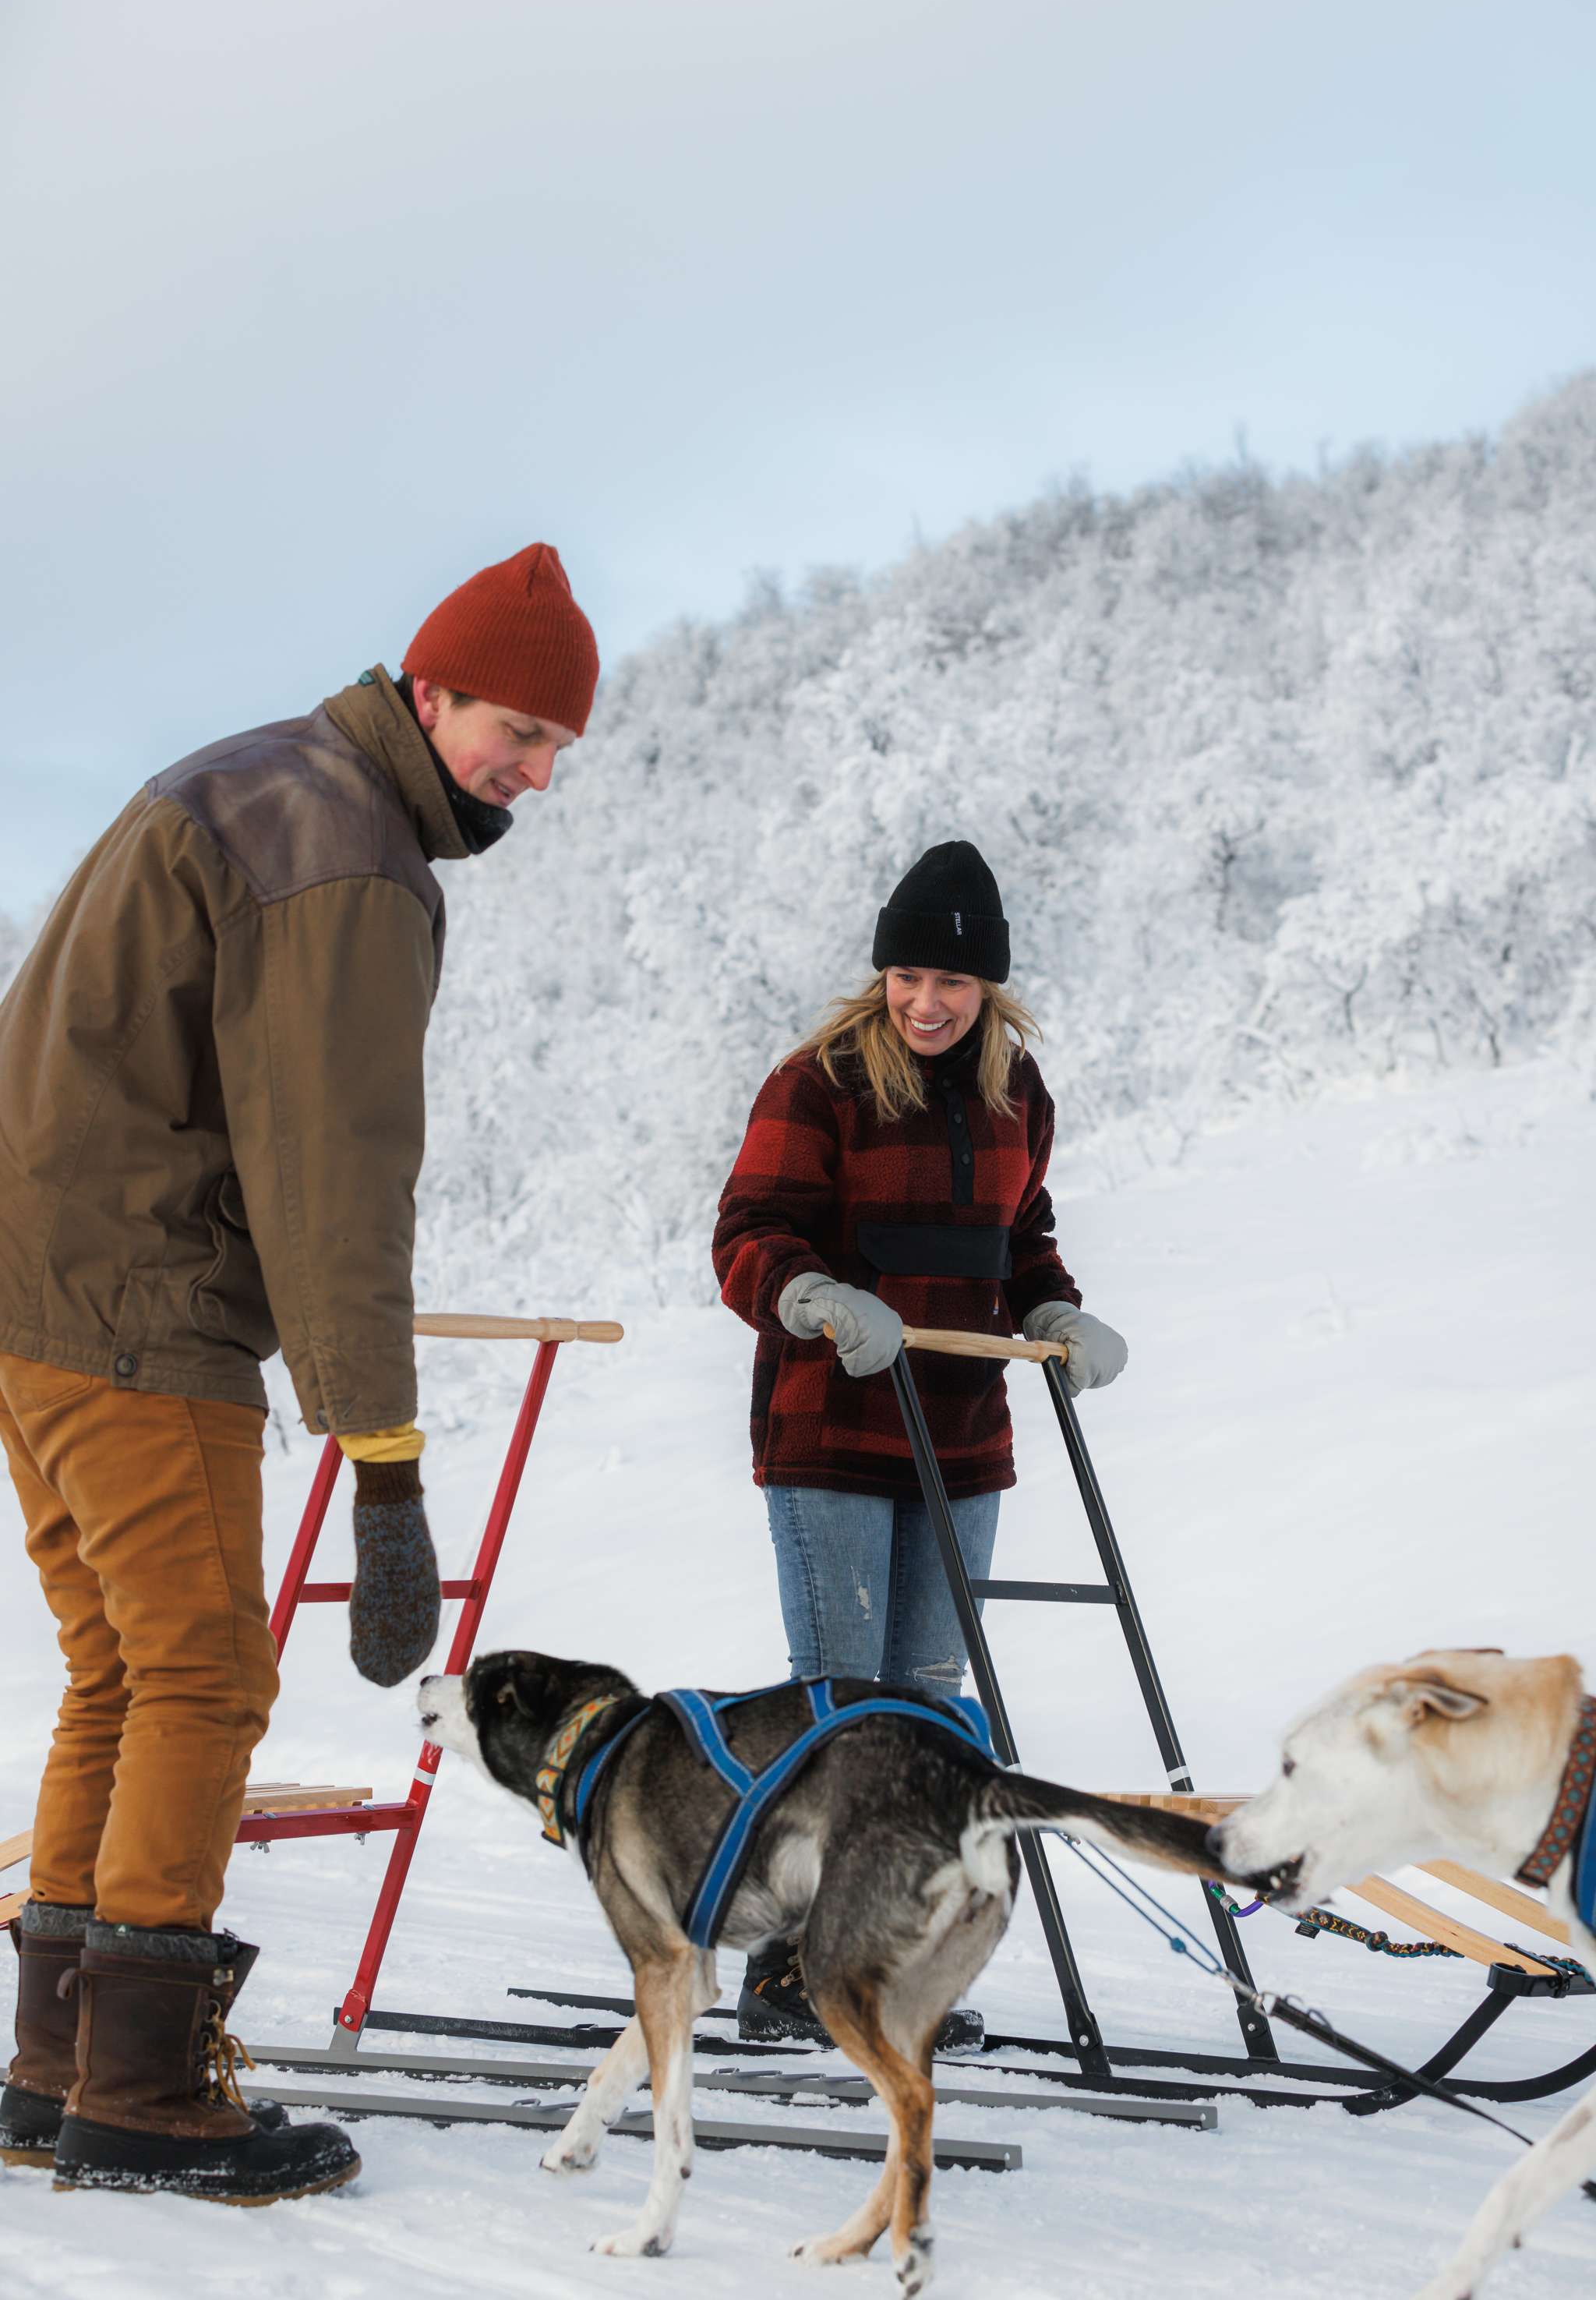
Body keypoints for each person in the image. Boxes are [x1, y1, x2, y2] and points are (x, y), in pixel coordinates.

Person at [0, 543, 599, 2199]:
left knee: (120, 1667)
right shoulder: (347, 853)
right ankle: (143, 2088)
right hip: (140, 1305)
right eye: (518, 730)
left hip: (36, 1295)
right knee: (203, 1674)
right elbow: (335, 1178)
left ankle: (57, 2064)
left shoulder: (261, 778)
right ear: (432, 689)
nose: (535, 774)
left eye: (560, 747)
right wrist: (385, 1461)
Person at [712, 839, 1128, 2042]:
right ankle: (792, 1972)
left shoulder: (1016, 1091)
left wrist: (1052, 1306)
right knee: (841, 1709)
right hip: (833, 1430)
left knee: (930, 1714)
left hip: (960, 1435)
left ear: (989, 987)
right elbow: (751, 1230)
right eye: (906, 978)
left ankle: (888, 1967)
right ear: (881, 975)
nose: (927, 1003)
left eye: (950, 984)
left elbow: (1021, 1231)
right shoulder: (821, 1081)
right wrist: (812, 1297)